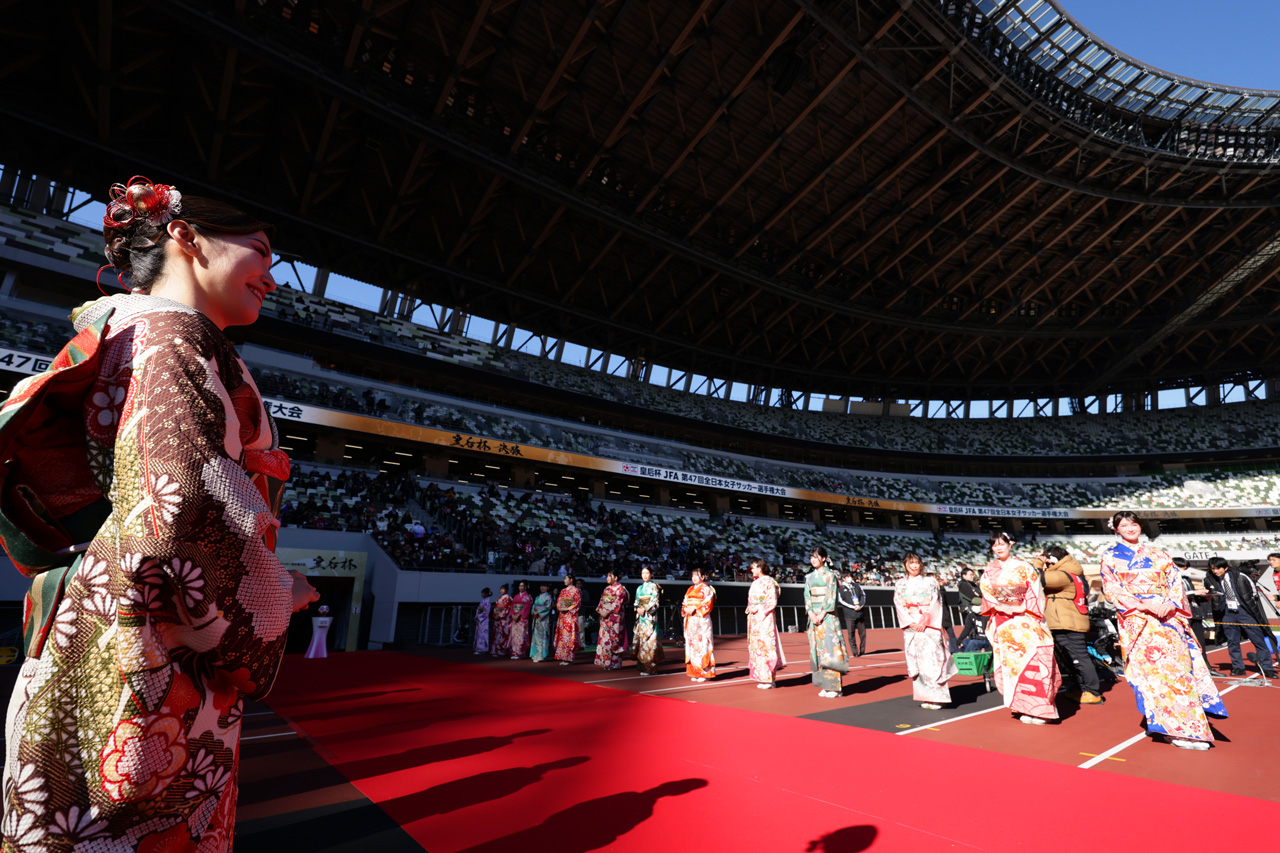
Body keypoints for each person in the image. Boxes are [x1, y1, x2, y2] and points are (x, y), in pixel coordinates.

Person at [0, 178, 319, 852]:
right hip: (142, 656)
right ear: (185, 236)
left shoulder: (130, 327)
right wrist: (272, 595)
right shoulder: (175, 335)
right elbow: (180, 506)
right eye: (259, 250)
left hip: (112, 620)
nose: (271, 273)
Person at [1100, 511, 1227, 749]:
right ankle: (1170, 728)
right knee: (1154, 676)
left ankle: (1193, 728)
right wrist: (1144, 604)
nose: (1130, 528)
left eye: (1134, 523)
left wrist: (1169, 603)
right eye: (1124, 524)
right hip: (1138, 621)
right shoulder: (1110, 557)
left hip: (1167, 617)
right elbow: (1112, 589)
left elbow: (1174, 583)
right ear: (1115, 529)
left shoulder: (1158, 554)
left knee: (1180, 671)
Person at [981, 532, 1060, 724]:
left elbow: (1035, 592)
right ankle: (1021, 705)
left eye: (1002, 544)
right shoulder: (990, 569)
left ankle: (1041, 709)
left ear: (1010, 544)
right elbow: (987, 592)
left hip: (1025, 618)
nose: (998, 548)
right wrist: (999, 606)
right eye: (994, 545)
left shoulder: (1024, 567)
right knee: (1012, 665)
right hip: (1003, 621)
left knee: (1033, 661)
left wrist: (1020, 607)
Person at [1037, 546, 1103, 705]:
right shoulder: (1073, 571)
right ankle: (1080, 688)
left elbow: (1037, 578)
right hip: (1066, 621)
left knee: (1078, 658)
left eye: (1048, 561)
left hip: (1068, 623)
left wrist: (1037, 563)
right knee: (1071, 659)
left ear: (1052, 560)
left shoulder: (1063, 574)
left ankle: (1092, 691)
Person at [894, 553, 956, 709]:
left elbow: (936, 602)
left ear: (921, 565)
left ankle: (937, 697)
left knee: (934, 660)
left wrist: (924, 621)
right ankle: (926, 696)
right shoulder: (900, 584)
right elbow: (899, 605)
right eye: (910, 563)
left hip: (929, 626)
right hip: (912, 627)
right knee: (917, 660)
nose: (914, 566)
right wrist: (911, 622)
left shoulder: (930, 581)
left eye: (916, 563)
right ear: (905, 565)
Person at [1204, 556, 1276, 678]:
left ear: (1225, 567)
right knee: (1232, 641)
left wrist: (1244, 603)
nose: (1215, 571)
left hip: (1244, 611)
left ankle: (1267, 668)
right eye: (1212, 569)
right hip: (1226, 613)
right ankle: (1238, 667)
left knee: (1257, 639)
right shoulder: (1209, 579)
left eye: (1217, 568)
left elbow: (1253, 592)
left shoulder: (1240, 576)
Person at [805, 547, 847, 698]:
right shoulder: (809, 577)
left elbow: (831, 597)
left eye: (816, 557)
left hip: (827, 617)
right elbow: (807, 597)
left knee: (831, 649)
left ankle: (835, 687)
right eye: (811, 557)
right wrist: (811, 613)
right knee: (817, 650)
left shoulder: (830, 575)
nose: (813, 560)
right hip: (814, 617)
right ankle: (824, 684)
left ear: (823, 558)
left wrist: (821, 614)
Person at [746, 558, 786, 688]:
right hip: (755, 617)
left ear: (760, 568)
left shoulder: (769, 581)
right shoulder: (755, 583)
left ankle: (769, 678)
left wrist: (758, 608)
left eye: (754, 567)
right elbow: (751, 600)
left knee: (767, 645)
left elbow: (771, 601)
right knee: (757, 647)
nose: (752, 570)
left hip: (765, 617)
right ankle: (762, 677)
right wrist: (751, 607)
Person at [681, 568, 716, 681]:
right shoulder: (690, 589)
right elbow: (684, 602)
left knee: (703, 644)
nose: (694, 577)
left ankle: (705, 672)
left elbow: (708, 603)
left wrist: (695, 608)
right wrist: (686, 609)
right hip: (691, 621)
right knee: (692, 645)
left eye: (697, 575)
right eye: (693, 575)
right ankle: (695, 672)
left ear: (703, 577)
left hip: (701, 621)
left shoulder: (706, 589)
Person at [632, 566, 664, 675]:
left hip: (649, 617)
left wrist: (645, 609)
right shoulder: (639, 588)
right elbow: (636, 601)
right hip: (641, 617)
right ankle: (643, 667)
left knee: (650, 642)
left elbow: (655, 601)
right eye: (643, 573)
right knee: (642, 642)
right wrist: (638, 609)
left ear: (651, 574)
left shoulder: (654, 586)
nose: (644, 575)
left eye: (647, 573)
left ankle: (651, 668)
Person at [595, 570, 629, 670]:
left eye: (609, 576)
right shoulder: (606, 589)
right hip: (605, 618)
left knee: (615, 639)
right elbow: (601, 601)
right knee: (604, 639)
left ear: (616, 577)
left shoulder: (620, 589)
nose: (607, 578)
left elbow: (617, 603)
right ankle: (606, 662)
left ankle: (615, 662)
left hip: (615, 618)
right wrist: (601, 610)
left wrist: (607, 611)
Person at [837, 569, 867, 657]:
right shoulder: (841, 588)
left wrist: (860, 605)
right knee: (851, 634)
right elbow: (841, 600)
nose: (850, 578)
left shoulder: (856, 586)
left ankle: (862, 650)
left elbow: (863, 595)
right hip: (849, 614)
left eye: (850, 576)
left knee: (863, 633)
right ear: (843, 578)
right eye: (847, 577)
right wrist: (853, 607)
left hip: (860, 613)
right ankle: (855, 652)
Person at [553, 574, 581, 665]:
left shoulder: (575, 590)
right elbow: (559, 601)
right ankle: (563, 656)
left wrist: (567, 609)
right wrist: (559, 607)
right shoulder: (563, 591)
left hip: (569, 616)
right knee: (562, 636)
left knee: (568, 636)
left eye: (566, 579)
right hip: (562, 616)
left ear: (571, 580)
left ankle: (569, 657)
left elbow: (577, 602)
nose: (564, 580)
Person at [955, 567, 985, 648]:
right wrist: (984, 600)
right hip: (970, 610)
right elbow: (973, 598)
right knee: (971, 629)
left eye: (973, 575)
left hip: (978, 610)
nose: (973, 576)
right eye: (971, 575)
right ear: (964, 576)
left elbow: (981, 594)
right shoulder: (963, 585)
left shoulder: (973, 585)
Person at [530, 583, 554, 662]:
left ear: (547, 588)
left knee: (543, 636)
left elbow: (547, 607)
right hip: (537, 619)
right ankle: (535, 654)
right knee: (536, 637)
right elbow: (534, 606)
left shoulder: (548, 597)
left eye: (544, 586)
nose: (542, 588)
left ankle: (542, 655)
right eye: (541, 586)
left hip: (543, 619)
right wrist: (534, 612)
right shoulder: (537, 597)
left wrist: (538, 612)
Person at [509, 581, 533, 660]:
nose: (521, 587)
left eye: (523, 586)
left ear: (526, 587)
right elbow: (512, 606)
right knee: (514, 635)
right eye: (520, 586)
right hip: (515, 618)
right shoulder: (516, 596)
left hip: (522, 619)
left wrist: (519, 615)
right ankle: (514, 652)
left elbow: (526, 607)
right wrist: (512, 615)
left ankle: (520, 653)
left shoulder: (527, 597)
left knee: (521, 635)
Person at [491, 584, 513, 657]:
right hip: (498, 619)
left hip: (504, 619)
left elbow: (507, 608)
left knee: (503, 635)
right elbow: (495, 608)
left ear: (507, 590)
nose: (502, 590)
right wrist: (495, 615)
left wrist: (500, 616)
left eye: (503, 589)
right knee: (496, 634)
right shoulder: (498, 599)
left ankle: (501, 651)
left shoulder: (508, 598)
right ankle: (495, 650)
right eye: (501, 589)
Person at [474, 587, 493, 655]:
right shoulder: (483, 601)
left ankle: (483, 649)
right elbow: (479, 610)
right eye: (482, 593)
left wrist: (480, 617)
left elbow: (486, 612)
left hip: (484, 620)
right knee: (479, 634)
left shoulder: (488, 602)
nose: (482, 594)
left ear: (487, 594)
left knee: (483, 635)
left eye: (483, 593)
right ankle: (479, 648)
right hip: (480, 620)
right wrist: (477, 616)